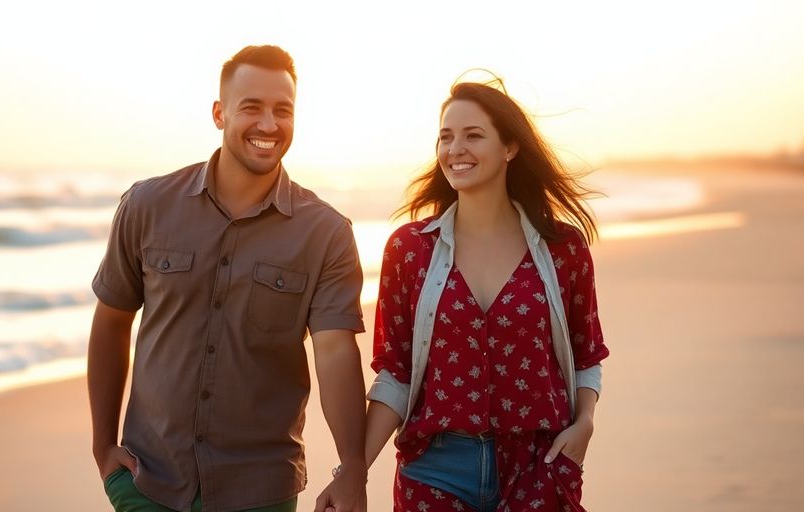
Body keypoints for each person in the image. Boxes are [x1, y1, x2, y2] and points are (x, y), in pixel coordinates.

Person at [87, 45, 368, 512]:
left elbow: (337, 352)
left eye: (283, 110)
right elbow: (112, 320)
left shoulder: (326, 233)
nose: (268, 124)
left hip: (260, 492)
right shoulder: (147, 205)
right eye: (251, 107)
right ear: (220, 114)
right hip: (147, 483)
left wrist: (353, 468)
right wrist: (102, 446)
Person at [362, 77, 609, 511]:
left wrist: (585, 422)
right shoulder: (410, 249)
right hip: (433, 471)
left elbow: (586, 354)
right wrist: (353, 471)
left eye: (473, 135)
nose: (455, 148)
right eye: (446, 137)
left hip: (538, 466)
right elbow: (395, 374)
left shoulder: (562, 248)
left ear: (509, 147)